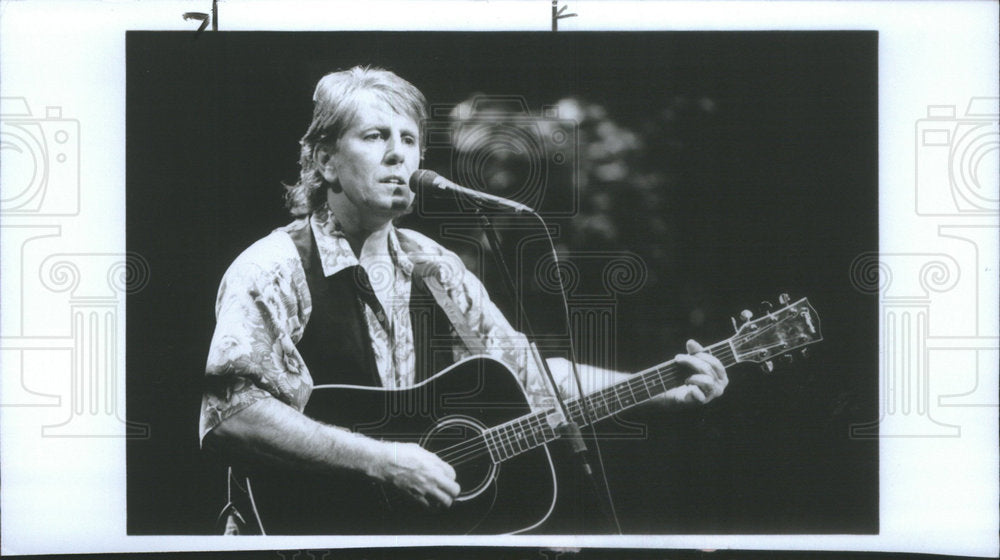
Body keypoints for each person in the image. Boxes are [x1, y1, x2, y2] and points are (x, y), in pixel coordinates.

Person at [199, 66, 728, 533]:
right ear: (326, 160)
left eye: (409, 139)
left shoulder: (435, 267)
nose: (397, 154)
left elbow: (531, 375)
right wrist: (383, 460)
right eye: (375, 135)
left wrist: (664, 389)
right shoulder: (274, 267)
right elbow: (232, 418)